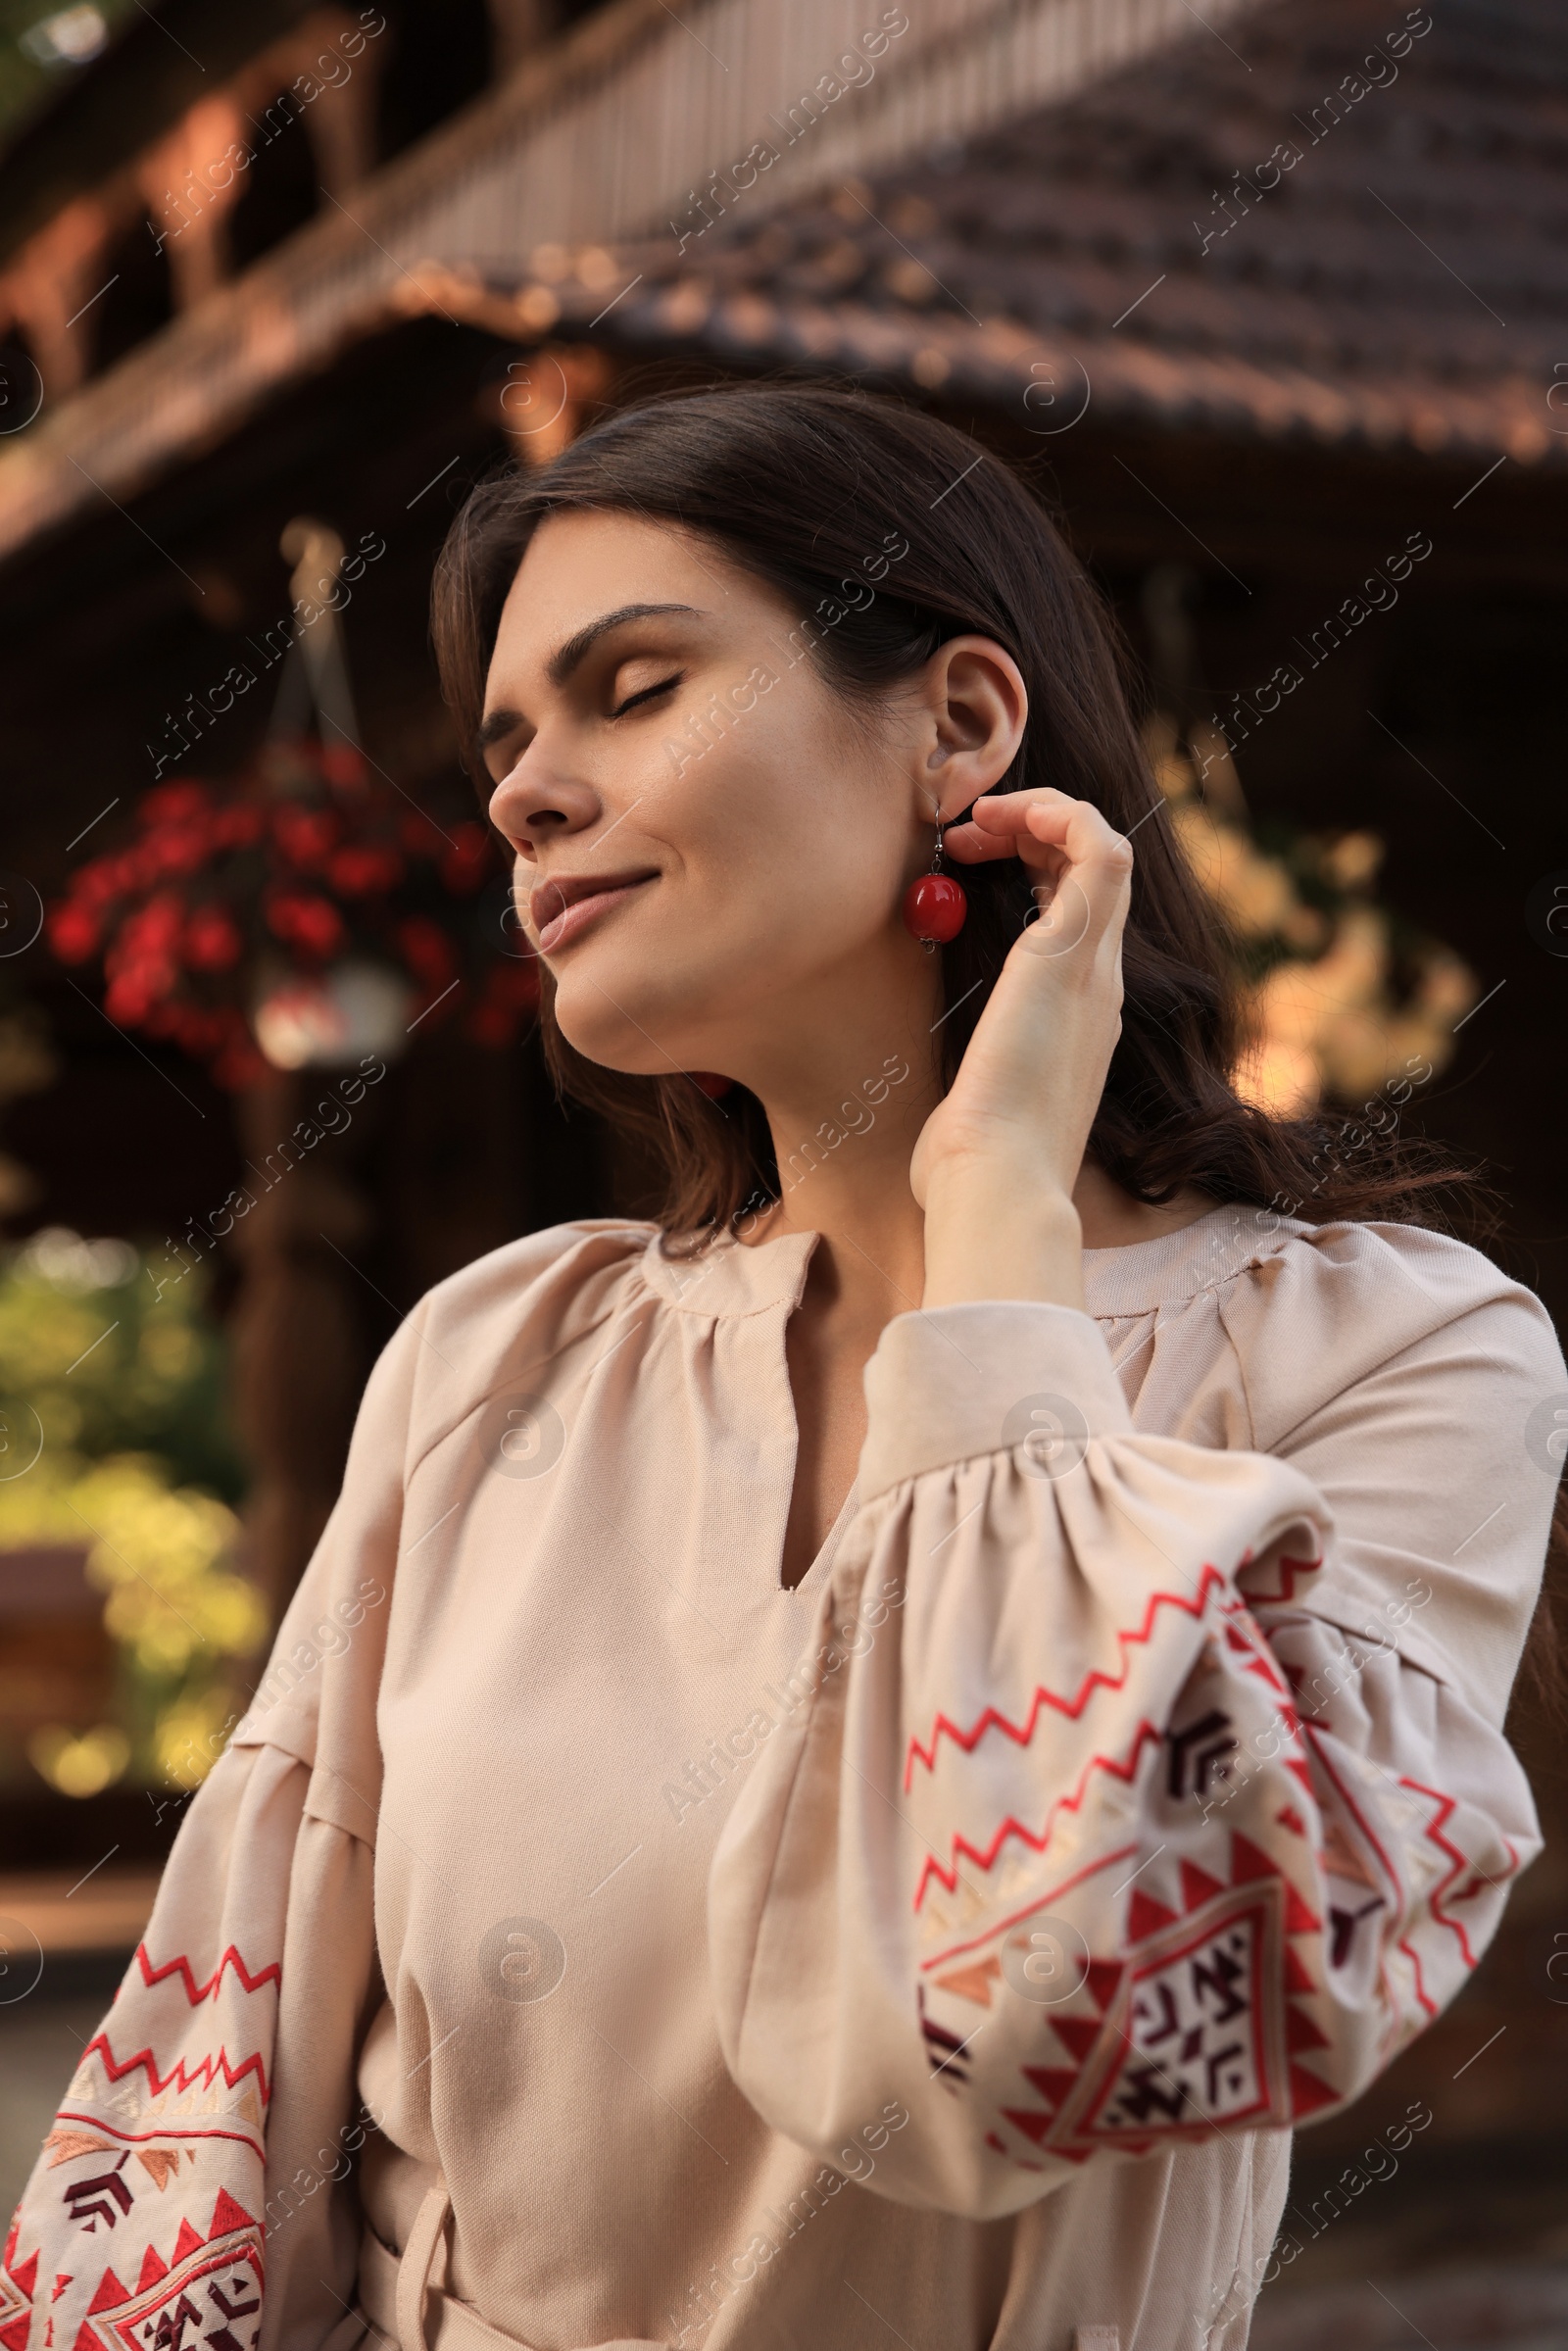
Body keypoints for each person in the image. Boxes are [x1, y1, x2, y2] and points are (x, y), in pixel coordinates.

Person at [10, 384, 1561, 2351]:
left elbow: (1018, 2037)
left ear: (961, 727)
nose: (519, 795)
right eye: (505, 745)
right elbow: (211, 2111)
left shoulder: (1388, 1352)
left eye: (631, 687)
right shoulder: (496, 1356)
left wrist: (993, 1217)